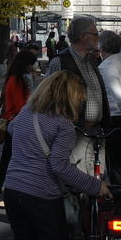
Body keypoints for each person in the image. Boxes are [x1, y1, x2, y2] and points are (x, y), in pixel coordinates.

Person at [3, 71, 111, 240]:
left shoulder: (27, 111)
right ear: (70, 97)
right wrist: (96, 186)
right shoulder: (63, 125)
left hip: (12, 190)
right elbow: (59, 166)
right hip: (41, 195)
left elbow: (11, 129)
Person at [46, 15, 110, 179]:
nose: (98, 38)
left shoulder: (92, 60)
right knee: (77, 183)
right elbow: (48, 101)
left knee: (98, 182)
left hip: (97, 133)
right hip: (75, 135)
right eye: (95, 34)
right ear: (84, 37)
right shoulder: (61, 61)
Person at [0, 50, 38, 208]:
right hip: (17, 122)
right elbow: (20, 105)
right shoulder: (19, 79)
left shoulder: (13, 77)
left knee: (9, 160)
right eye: (31, 64)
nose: (33, 67)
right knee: (9, 161)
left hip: (14, 121)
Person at [97, 30, 121, 190]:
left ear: (102, 47)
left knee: (115, 163)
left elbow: (118, 95)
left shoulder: (107, 67)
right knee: (119, 161)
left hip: (114, 117)